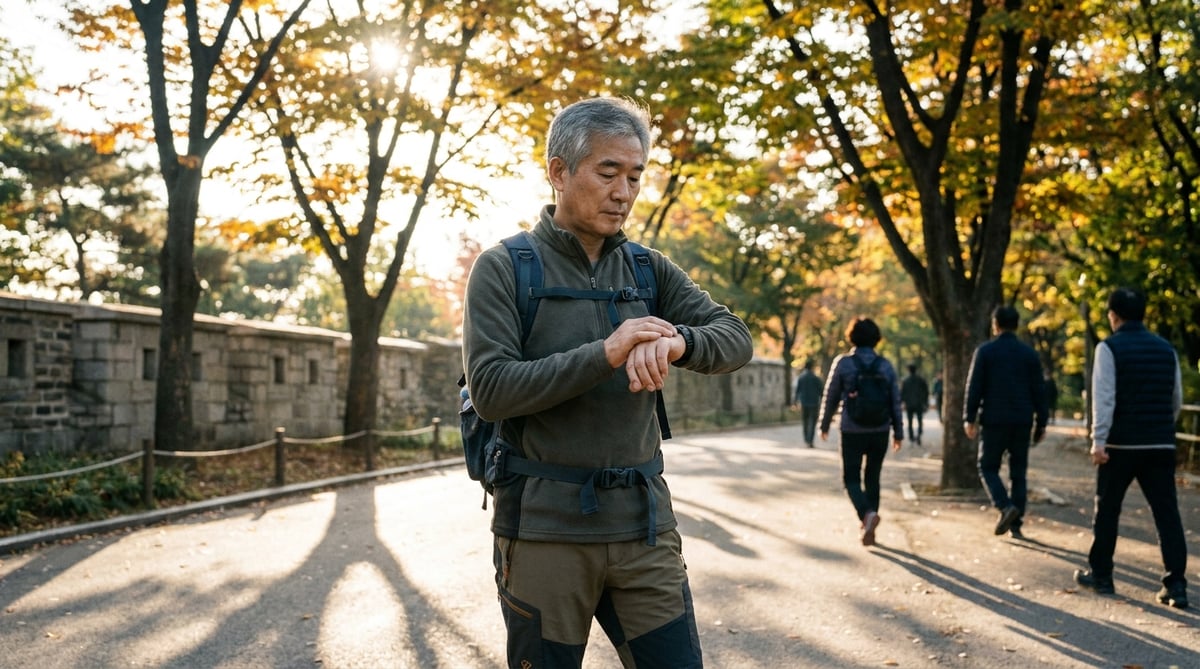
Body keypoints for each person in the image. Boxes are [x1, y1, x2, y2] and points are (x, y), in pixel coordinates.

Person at [461, 97, 754, 668]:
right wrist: (607, 352)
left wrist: (679, 342)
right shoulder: (504, 268)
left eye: (636, 176)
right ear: (559, 172)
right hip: (544, 531)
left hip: (644, 529)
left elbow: (735, 336)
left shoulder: (647, 269)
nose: (625, 192)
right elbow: (492, 389)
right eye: (608, 172)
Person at [1073, 287, 1188, 609]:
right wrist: (1163, 428)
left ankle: (1102, 575)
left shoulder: (1109, 348)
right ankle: (1176, 585)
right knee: (1167, 514)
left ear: (1113, 315)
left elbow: (1104, 397)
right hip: (1160, 443)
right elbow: (1175, 399)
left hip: (1120, 445)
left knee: (1107, 511)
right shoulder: (1167, 349)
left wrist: (1098, 441)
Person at [963, 306, 1048, 539]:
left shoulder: (986, 351)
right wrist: (1042, 422)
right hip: (1022, 420)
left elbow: (975, 387)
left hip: (994, 420)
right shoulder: (1029, 354)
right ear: (1017, 325)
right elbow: (1039, 390)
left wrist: (969, 418)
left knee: (987, 466)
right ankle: (1016, 524)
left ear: (995, 325)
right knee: (1018, 473)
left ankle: (1004, 505)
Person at [818, 317, 904, 547]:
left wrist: (824, 424)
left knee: (851, 478)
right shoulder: (885, 365)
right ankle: (870, 527)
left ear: (852, 336)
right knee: (873, 477)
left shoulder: (844, 363)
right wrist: (899, 432)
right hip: (880, 429)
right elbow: (895, 400)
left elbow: (831, 396)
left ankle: (866, 516)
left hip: (852, 430)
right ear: (876, 338)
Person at [793, 359, 824, 448]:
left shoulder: (801, 377)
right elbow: (821, 391)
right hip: (814, 403)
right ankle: (810, 440)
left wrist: (795, 401)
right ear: (812, 367)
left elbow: (797, 390)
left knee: (805, 422)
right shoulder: (816, 378)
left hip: (804, 403)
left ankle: (806, 439)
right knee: (812, 423)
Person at [900, 364, 930, 445]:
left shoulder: (905, 381)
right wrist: (925, 402)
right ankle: (919, 435)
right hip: (919, 404)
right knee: (919, 421)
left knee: (910, 421)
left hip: (909, 404)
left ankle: (911, 437)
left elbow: (902, 393)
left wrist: (902, 402)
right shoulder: (921, 380)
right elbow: (926, 392)